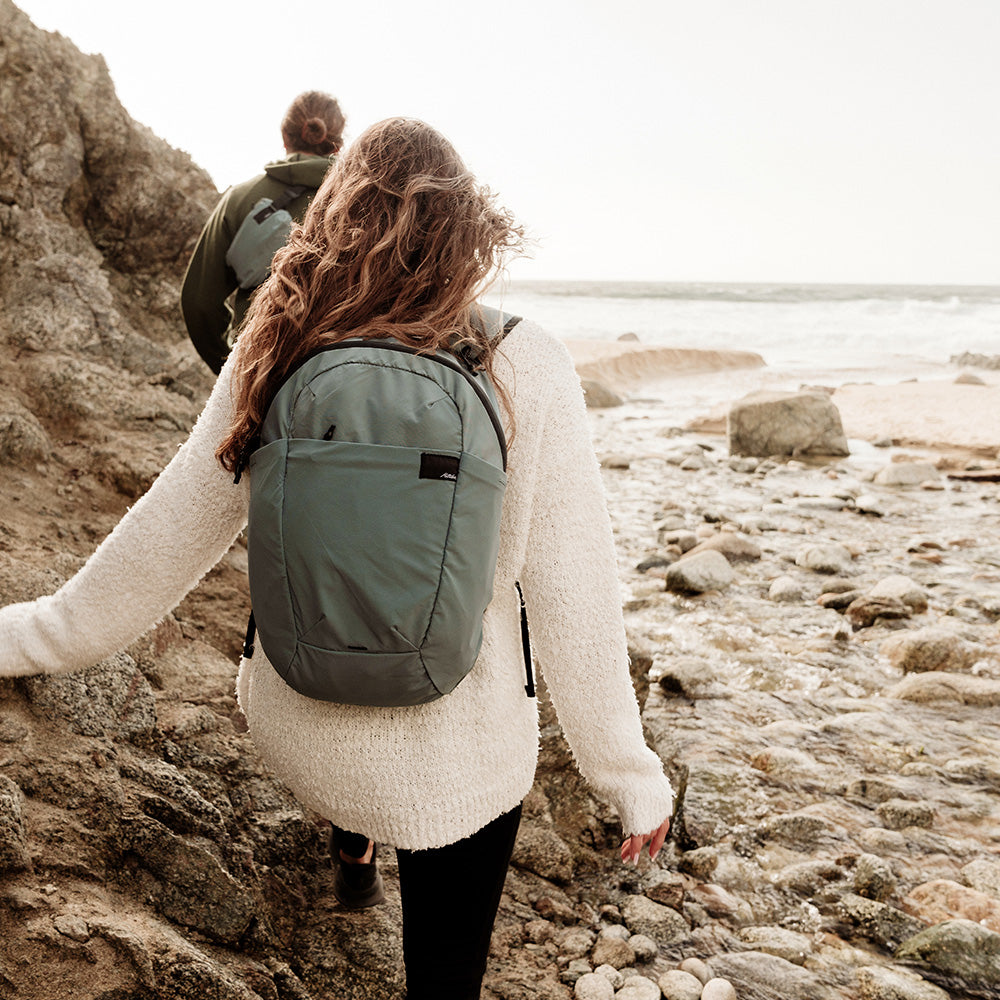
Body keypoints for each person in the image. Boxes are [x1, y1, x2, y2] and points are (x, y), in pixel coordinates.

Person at [0, 117, 673, 1000]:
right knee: (446, 969)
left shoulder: (278, 343)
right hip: (456, 765)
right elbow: (574, 594)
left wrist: (28, 636)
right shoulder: (526, 361)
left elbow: (165, 538)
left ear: (336, 213)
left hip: (300, 725)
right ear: (468, 225)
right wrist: (630, 776)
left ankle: (349, 844)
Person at [181, 90, 345, 374]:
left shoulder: (241, 197)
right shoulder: (361, 203)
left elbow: (199, 304)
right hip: (336, 375)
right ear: (338, 146)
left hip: (260, 370)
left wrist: (231, 370)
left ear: (285, 136)